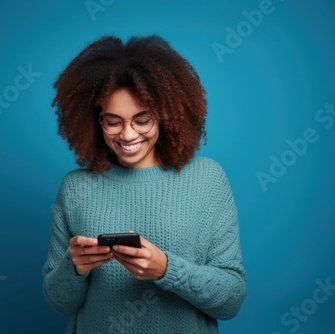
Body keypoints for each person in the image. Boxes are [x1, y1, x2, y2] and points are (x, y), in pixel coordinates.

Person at [42, 35, 246, 334]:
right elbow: (60, 304)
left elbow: (231, 300)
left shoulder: (207, 179)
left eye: (142, 120)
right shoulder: (75, 188)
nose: (127, 135)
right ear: (96, 121)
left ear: (165, 116)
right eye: (113, 121)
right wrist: (74, 268)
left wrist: (166, 269)